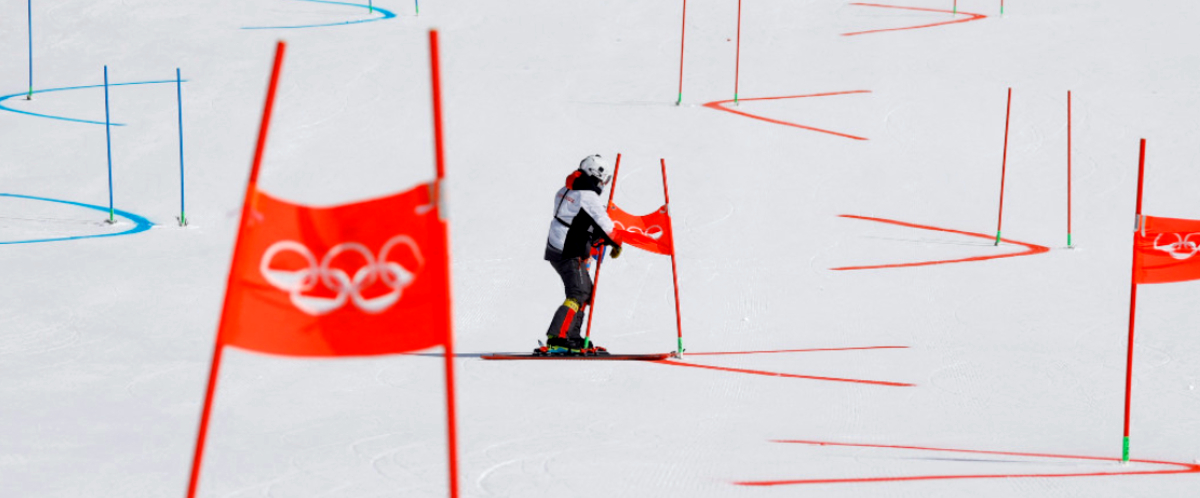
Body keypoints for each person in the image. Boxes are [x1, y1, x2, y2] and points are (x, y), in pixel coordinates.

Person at [542, 154, 624, 354]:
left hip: (559, 247)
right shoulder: (587, 195)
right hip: (569, 250)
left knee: (585, 290)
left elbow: (578, 219)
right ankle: (558, 337)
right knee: (578, 292)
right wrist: (617, 242)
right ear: (595, 175)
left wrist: (597, 236)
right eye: (604, 179)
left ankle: (572, 336)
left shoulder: (566, 189)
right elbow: (605, 224)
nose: (604, 184)